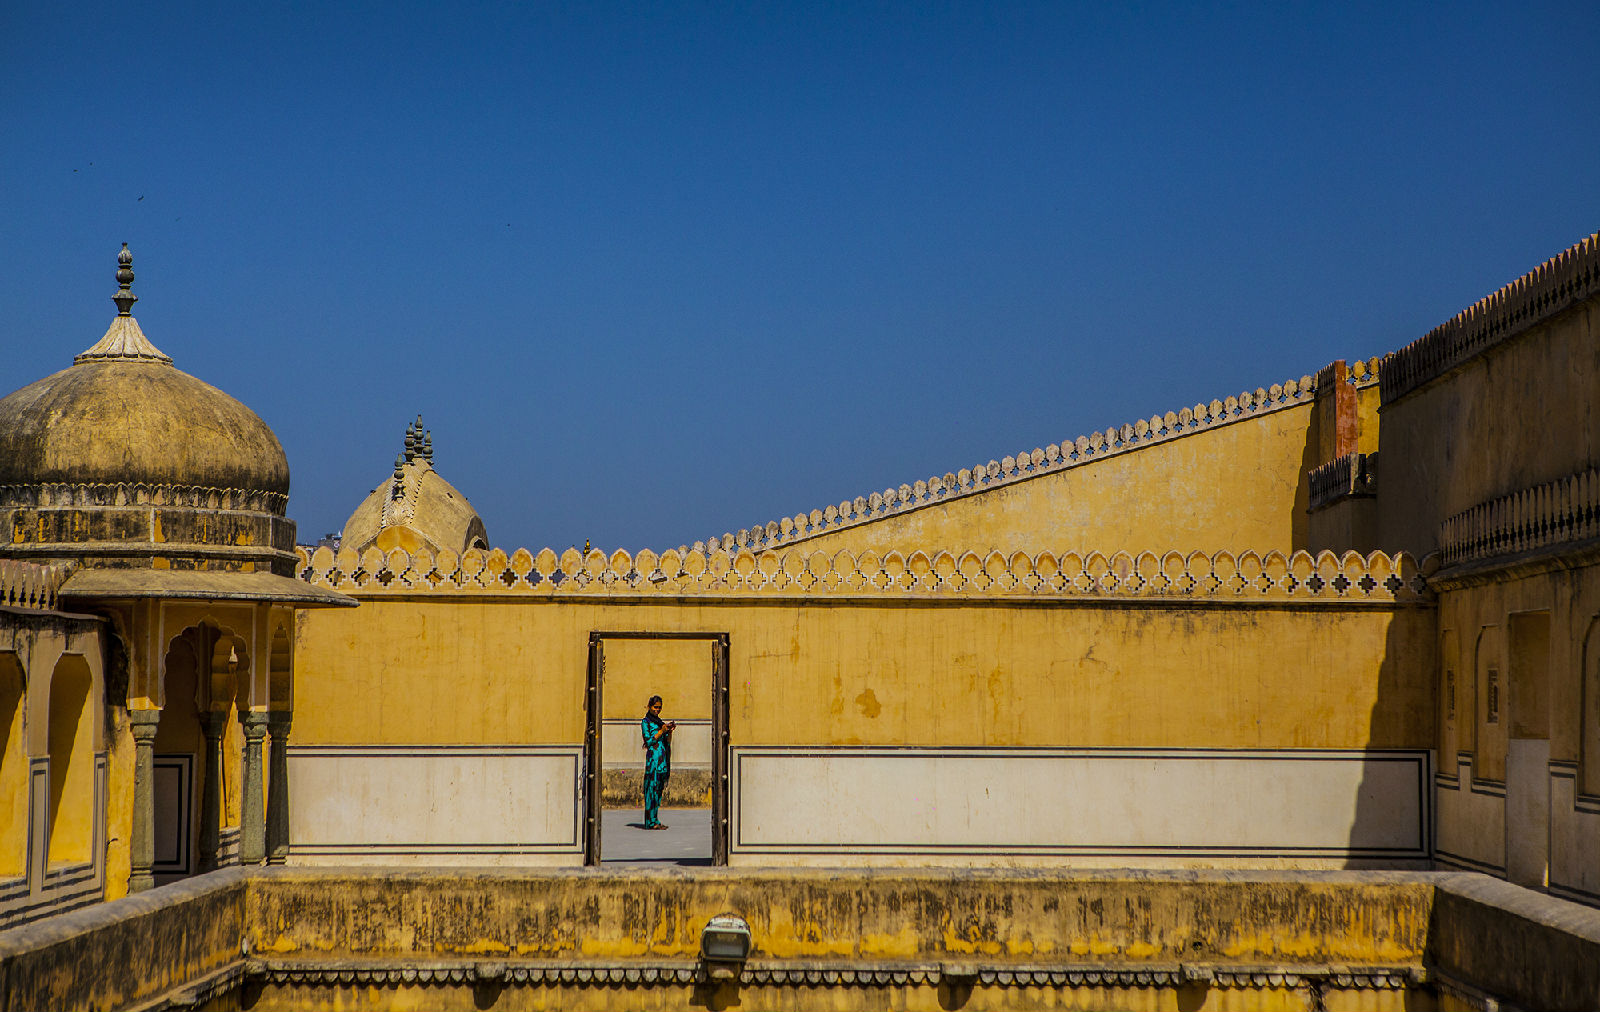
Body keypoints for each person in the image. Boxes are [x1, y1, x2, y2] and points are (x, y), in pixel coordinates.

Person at [640, 695, 675, 830]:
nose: (657, 710)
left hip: (662, 762)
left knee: (658, 790)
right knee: (651, 790)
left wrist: (669, 731)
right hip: (653, 762)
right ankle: (650, 821)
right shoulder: (646, 722)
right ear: (649, 707)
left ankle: (655, 819)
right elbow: (648, 741)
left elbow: (667, 741)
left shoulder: (660, 722)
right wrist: (661, 731)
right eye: (655, 707)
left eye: (659, 708)